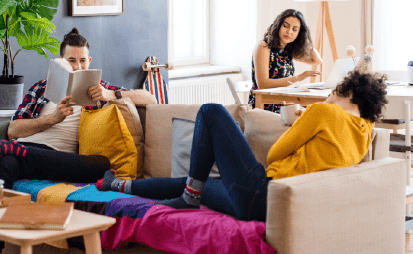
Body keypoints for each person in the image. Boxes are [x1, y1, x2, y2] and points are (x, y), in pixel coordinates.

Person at [97, 70, 388, 222]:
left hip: (263, 192)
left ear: (347, 93)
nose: (329, 97)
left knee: (211, 112)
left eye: (334, 93)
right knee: (194, 185)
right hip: (270, 209)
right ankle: (118, 186)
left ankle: (187, 197)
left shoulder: (324, 112)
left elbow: (275, 154)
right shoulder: (365, 134)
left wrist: (311, 113)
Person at [0, 28, 157, 254]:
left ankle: (12, 152)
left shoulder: (99, 90)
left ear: (89, 61)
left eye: (83, 61)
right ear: (60, 62)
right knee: (4, 165)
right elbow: (14, 129)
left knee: (102, 165)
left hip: (64, 162)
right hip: (29, 149)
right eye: (71, 61)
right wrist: (52, 119)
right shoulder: (41, 88)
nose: (78, 67)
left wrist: (111, 95)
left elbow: (150, 97)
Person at [250, 9, 323, 113]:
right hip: (265, 105)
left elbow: (317, 60)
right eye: (286, 26)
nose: (289, 32)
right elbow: (263, 84)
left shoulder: (288, 50)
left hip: (285, 102)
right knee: (312, 115)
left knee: (319, 110)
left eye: (295, 29)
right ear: (278, 26)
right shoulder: (263, 46)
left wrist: (304, 39)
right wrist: (298, 77)